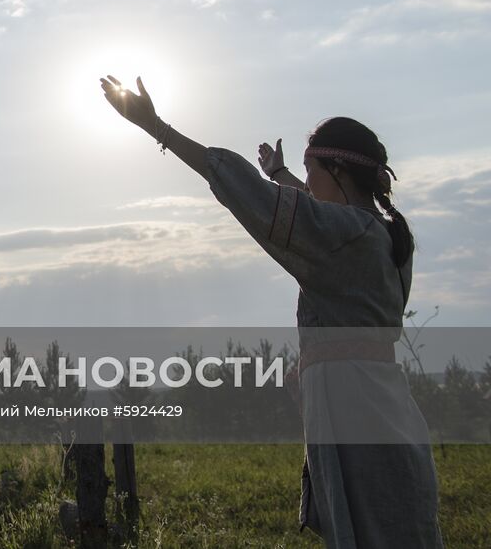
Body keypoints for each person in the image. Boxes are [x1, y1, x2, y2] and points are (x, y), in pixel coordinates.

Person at [100, 74, 444, 548]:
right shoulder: (382, 233)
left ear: (339, 171)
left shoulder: (347, 234)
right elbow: (312, 205)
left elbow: (253, 193)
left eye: (313, 169)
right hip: (377, 406)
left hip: (358, 411)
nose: (308, 182)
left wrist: (157, 127)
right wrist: (282, 176)